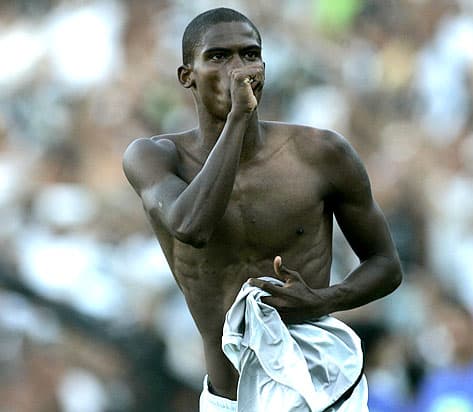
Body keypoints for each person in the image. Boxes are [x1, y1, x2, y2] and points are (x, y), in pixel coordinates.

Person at [122, 7, 402, 410]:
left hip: (320, 390)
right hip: (228, 398)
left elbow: (386, 265)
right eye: (218, 56)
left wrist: (324, 300)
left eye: (250, 54)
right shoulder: (154, 157)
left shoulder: (321, 153)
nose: (239, 69)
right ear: (187, 76)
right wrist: (238, 119)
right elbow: (191, 225)